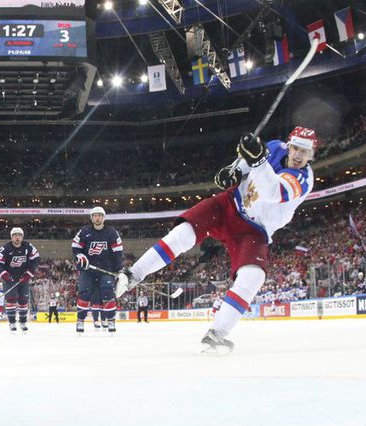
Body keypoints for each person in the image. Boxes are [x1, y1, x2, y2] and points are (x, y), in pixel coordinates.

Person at [117, 127, 317, 355]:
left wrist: (258, 160)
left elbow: (272, 191)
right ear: (288, 145)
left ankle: (216, 335)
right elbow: (244, 164)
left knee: (253, 276)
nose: (299, 155)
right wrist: (233, 172)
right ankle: (134, 274)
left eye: (305, 151)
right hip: (231, 204)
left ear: (312, 155)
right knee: (183, 233)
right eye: (296, 148)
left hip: (254, 230)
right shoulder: (273, 147)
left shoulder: (304, 179)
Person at [72, 206, 123, 334]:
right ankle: (80, 320)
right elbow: (75, 247)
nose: (97, 217)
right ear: (92, 218)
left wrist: (119, 269)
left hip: (105, 270)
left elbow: (118, 252)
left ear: (103, 217)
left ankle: (111, 320)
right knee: (84, 294)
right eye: (95, 215)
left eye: (100, 215)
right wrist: (80, 256)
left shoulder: (111, 232)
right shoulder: (84, 231)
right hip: (87, 270)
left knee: (108, 293)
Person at [0, 227, 40, 334]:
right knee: (11, 300)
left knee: (23, 300)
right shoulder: (6, 248)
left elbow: (36, 258)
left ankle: (22, 322)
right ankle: (12, 322)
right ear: (11, 237)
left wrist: (30, 272)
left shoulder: (28, 246)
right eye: (14, 235)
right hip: (9, 278)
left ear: (22, 237)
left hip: (23, 277)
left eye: (19, 235)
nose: (17, 237)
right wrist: (4, 274)